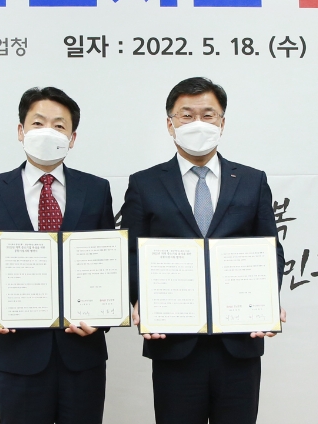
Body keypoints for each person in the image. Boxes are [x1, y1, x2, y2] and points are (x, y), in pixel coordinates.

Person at [122, 77, 286, 424]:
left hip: (239, 341)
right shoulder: (144, 183)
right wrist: (139, 300)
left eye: (208, 115)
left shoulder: (252, 181)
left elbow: (270, 249)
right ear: (170, 124)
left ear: (222, 123)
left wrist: (267, 300)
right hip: (173, 342)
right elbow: (131, 252)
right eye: (186, 115)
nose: (198, 123)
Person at [0, 87, 115, 424]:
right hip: (18, 351)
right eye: (38, 123)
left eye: (59, 126)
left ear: (72, 138)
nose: (47, 132)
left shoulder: (96, 189)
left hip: (81, 351)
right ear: (21, 131)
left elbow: (108, 262)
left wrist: (102, 316)